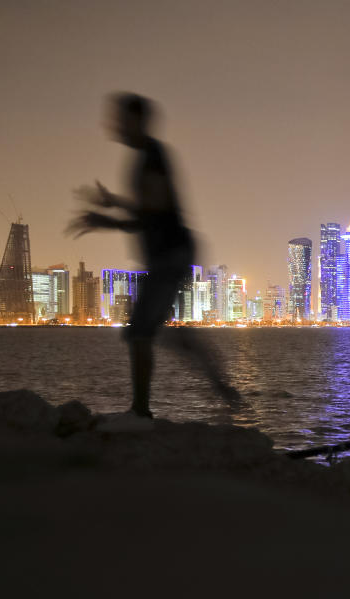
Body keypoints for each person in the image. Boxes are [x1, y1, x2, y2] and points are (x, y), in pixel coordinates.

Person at [67, 92, 239, 418]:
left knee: (140, 331)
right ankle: (222, 387)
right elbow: (152, 207)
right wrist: (115, 204)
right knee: (158, 331)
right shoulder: (149, 156)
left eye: (120, 118)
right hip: (171, 253)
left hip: (170, 254)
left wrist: (107, 219)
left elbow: (153, 213)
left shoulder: (151, 156)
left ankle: (140, 413)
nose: (113, 124)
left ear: (136, 121)